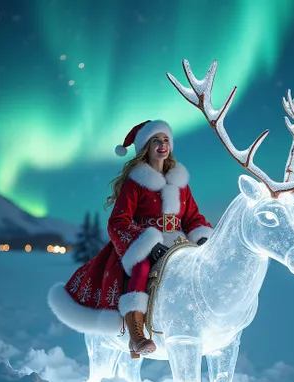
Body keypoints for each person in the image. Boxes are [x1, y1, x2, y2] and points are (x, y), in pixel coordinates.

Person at [48, 119, 213, 358]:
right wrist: (148, 242)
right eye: (156, 140)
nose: (162, 144)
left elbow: (192, 217)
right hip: (142, 245)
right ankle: (136, 334)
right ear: (146, 146)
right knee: (142, 268)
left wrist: (201, 237)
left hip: (177, 244)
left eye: (166, 139)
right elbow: (117, 222)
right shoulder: (135, 183)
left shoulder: (180, 183)